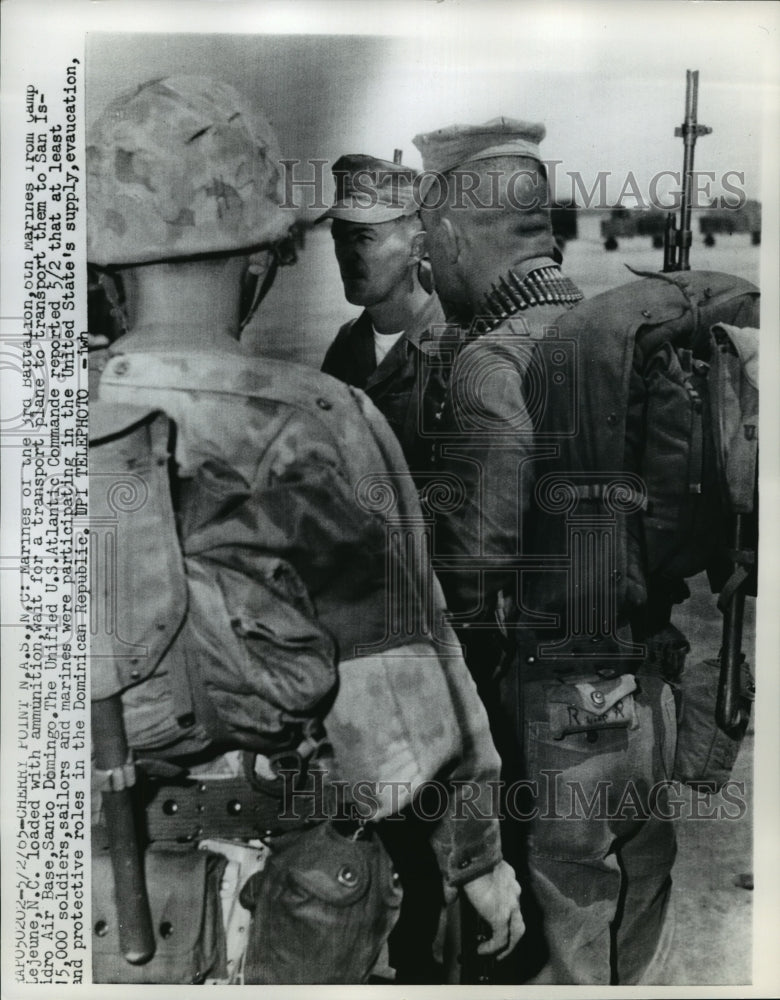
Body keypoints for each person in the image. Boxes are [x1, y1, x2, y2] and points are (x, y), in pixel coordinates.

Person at [87, 76, 523, 986]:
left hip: (68, 890)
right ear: (263, 259)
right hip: (267, 903)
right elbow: (402, 703)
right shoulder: (320, 419)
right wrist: (474, 860)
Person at [413, 116, 680, 985]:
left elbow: (480, 559)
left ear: (451, 237)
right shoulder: (619, 331)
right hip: (654, 695)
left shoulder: (491, 359)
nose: (429, 268)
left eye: (428, 246)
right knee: (636, 906)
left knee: (565, 937)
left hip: (565, 711)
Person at [320, 154, 449, 480]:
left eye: (364, 237)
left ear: (418, 248)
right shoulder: (345, 346)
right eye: (340, 236)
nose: (348, 255)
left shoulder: (457, 347)